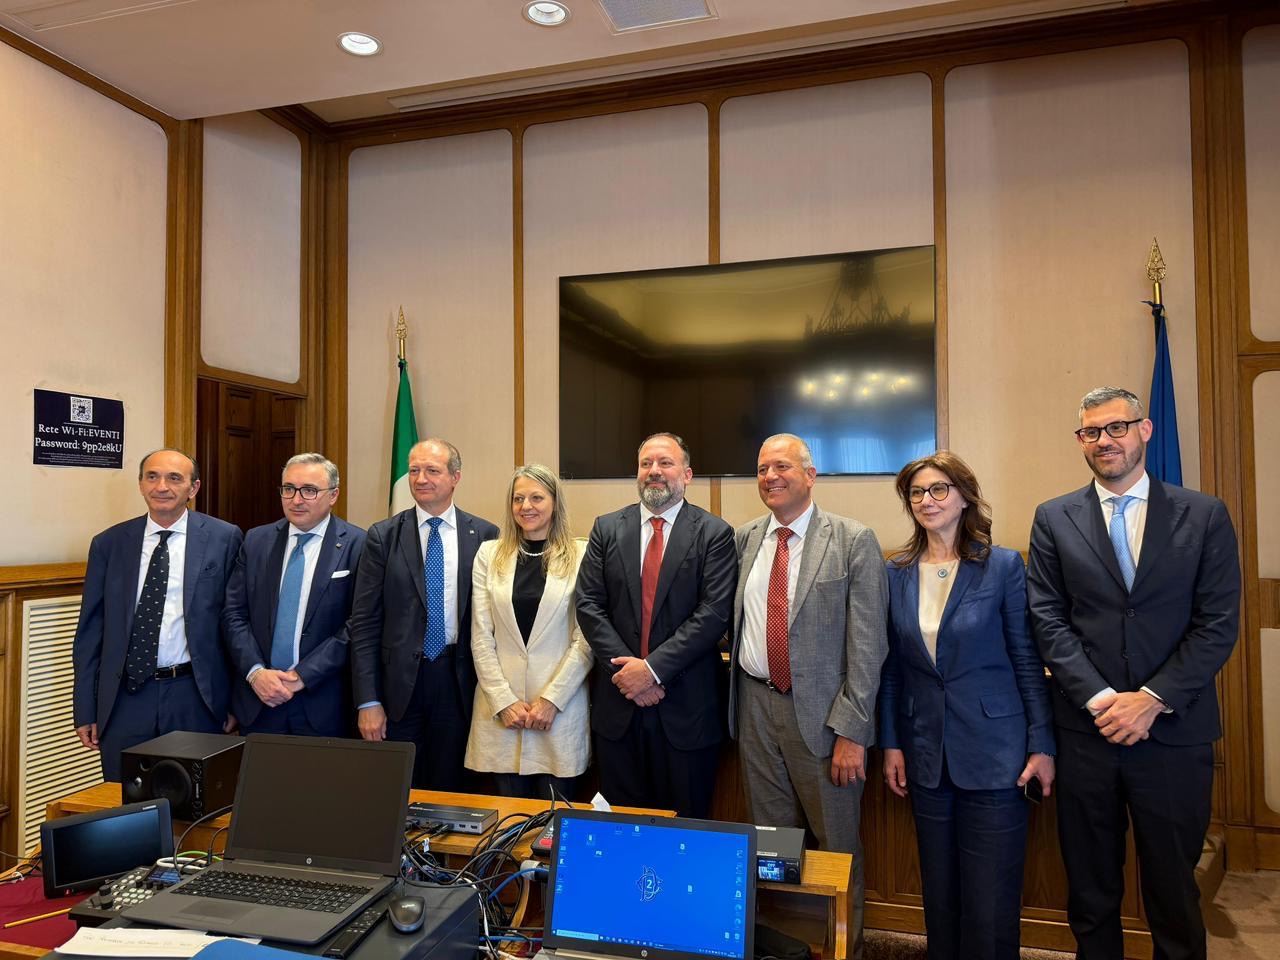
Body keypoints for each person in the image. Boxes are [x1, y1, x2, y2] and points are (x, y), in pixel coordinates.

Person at [1027, 386, 1240, 960]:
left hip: (1173, 732)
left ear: (1144, 430)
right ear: (1081, 441)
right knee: (1090, 889)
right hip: (1086, 733)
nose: (1105, 441)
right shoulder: (1054, 518)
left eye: (1116, 427)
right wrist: (1101, 699)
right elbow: (1047, 618)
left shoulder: (1204, 514)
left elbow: (1218, 624)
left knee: (1173, 890)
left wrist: (1151, 698)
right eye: (1091, 432)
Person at [879, 451, 1055, 960]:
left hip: (996, 754)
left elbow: (1026, 660)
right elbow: (892, 669)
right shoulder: (896, 572)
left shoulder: (1002, 566)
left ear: (963, 497)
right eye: (917, 492)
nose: (927, 500)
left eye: (939, 489)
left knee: (990, 900)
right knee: (940, 896)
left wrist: (1042, 744)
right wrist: (891, 743)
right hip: (926, 754)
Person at [729, 433, 889, 960]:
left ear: (810, 474)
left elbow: (868, 646)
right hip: (756, 708)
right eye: (762, 469)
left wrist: (852, 734)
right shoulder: (746, 539)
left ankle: (845, 952)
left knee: (836, 850)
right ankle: (784, 950)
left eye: (782, 466)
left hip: (825, 720)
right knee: (771, 848)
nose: (770, 477)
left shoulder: (852, 539)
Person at [575, 432, 736, 818]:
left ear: (687, 474)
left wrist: (651, 671)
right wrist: (629, 673)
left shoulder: (714, 533)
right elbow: (588, 604)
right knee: (620, 830)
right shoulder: (607, 529)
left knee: (685, 830)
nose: (654, 471)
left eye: (665, 463)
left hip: (686, 713)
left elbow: (713, 614)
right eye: (646, 463)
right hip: (619, 711)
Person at [72, 449, 242, 781]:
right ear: (140, 484)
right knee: (127, 799)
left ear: (193, 488)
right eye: (152, 477)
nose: (161, 486)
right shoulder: (109, 543)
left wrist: (236, 702)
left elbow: (234, 622)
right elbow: (91, 632)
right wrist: (85, 707)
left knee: (195, 799)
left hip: (195, 697)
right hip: (124, 700)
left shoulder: (224, 538)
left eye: (174, 478)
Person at [349, 438, 498, 790]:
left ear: (455, 477)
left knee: (455, 789)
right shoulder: (383, 536)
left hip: (459, 682)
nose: (420, 479)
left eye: (432, 470)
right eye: (414, 470)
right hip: (399, 687)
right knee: (398, 789)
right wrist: (368, 700)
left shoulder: (485, 535)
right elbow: (365, 624)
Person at [464, 463, 592, 800]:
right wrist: (503, 701)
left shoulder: (581, 554)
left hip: (558, 713)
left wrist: (551, 701)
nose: (526, 506)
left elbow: (585, 639)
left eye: (537, 497)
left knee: (555, 821)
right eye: (518, 498)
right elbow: (481, 636)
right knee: (509, 822)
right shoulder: (489, 554)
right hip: (503, 716)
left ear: (554, 502)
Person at [222, 453, 365, 737]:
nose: (296, 500)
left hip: (322, 702)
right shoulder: (256, 540)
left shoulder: (358, 544)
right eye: (289, 489)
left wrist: (303, 675)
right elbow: (233, 614)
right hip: (260, 699)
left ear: (333, 495)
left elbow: (357, 624)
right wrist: (255, 672)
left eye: (309, 490)